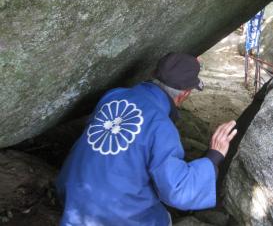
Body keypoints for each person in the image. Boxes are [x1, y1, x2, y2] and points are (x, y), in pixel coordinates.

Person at [55, 52, 237, 226]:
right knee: (162, 217)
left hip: (73, 199)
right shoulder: (161, 126)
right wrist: (214, 155)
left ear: (153, 73)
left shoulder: (112, 96)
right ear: (185, 94)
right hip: (114, 217)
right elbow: (178, 191)